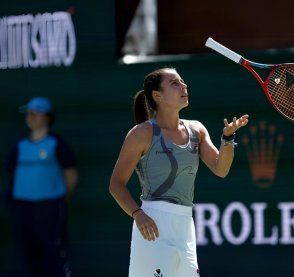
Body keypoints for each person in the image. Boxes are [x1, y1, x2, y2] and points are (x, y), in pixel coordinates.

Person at [109, 68, 249, 277]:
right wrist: (137, 214)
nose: (184, 86)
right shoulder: (141, 133)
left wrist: (227, 138)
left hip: (185, 224)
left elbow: (221, 169)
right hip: (152, 224)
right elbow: (116, 184)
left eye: (183, 81)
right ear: (157, 96)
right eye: (175, 83)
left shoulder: (197, 130)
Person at [4, 97, 78, 277]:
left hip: (50, 208)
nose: (30, 117)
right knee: (28, 254)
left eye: (35, 113)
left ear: (46, 117)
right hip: (23, 209)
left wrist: (58, 199)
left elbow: (71, 175)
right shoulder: (19, 145)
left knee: (53, 254)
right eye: (28, 114)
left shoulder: (57, 143)